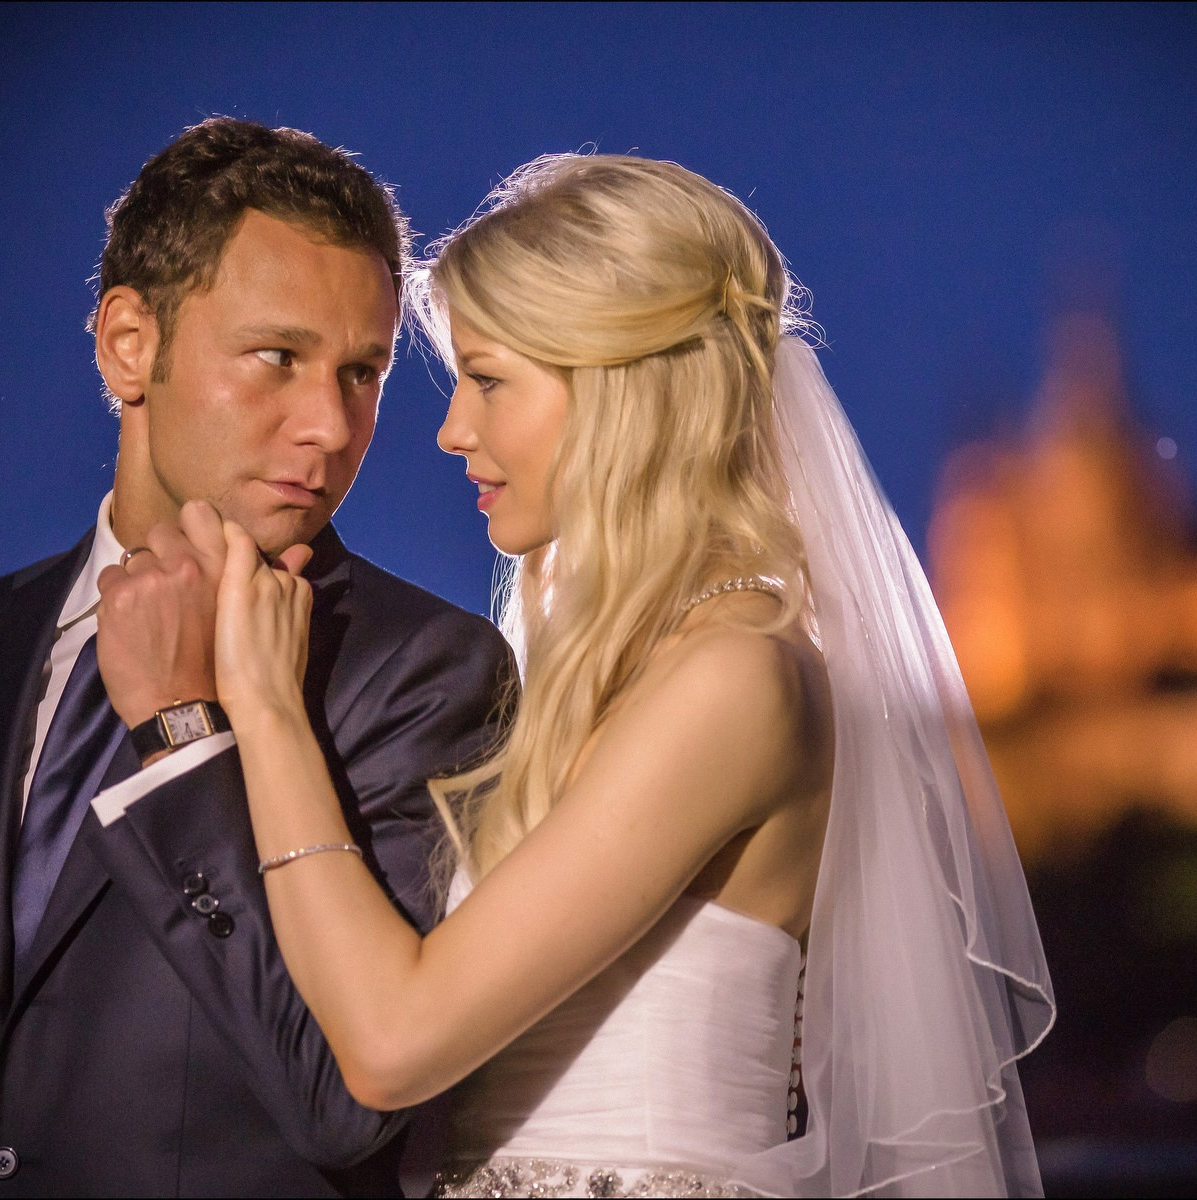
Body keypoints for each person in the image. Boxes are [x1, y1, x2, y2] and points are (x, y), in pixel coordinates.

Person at [197, 154, 1055, 1197]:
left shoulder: (737, 681)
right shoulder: (610, 668)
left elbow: (395, 1044)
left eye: (489, 380)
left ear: (619, 391)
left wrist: (267, 711)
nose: (450, 429)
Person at [0, 117, 512, 1196]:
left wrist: (183, 736)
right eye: (278, 357)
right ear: (129, 344)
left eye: (362, 373)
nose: (327, 425)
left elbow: (346, 1101)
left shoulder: (426, 673)